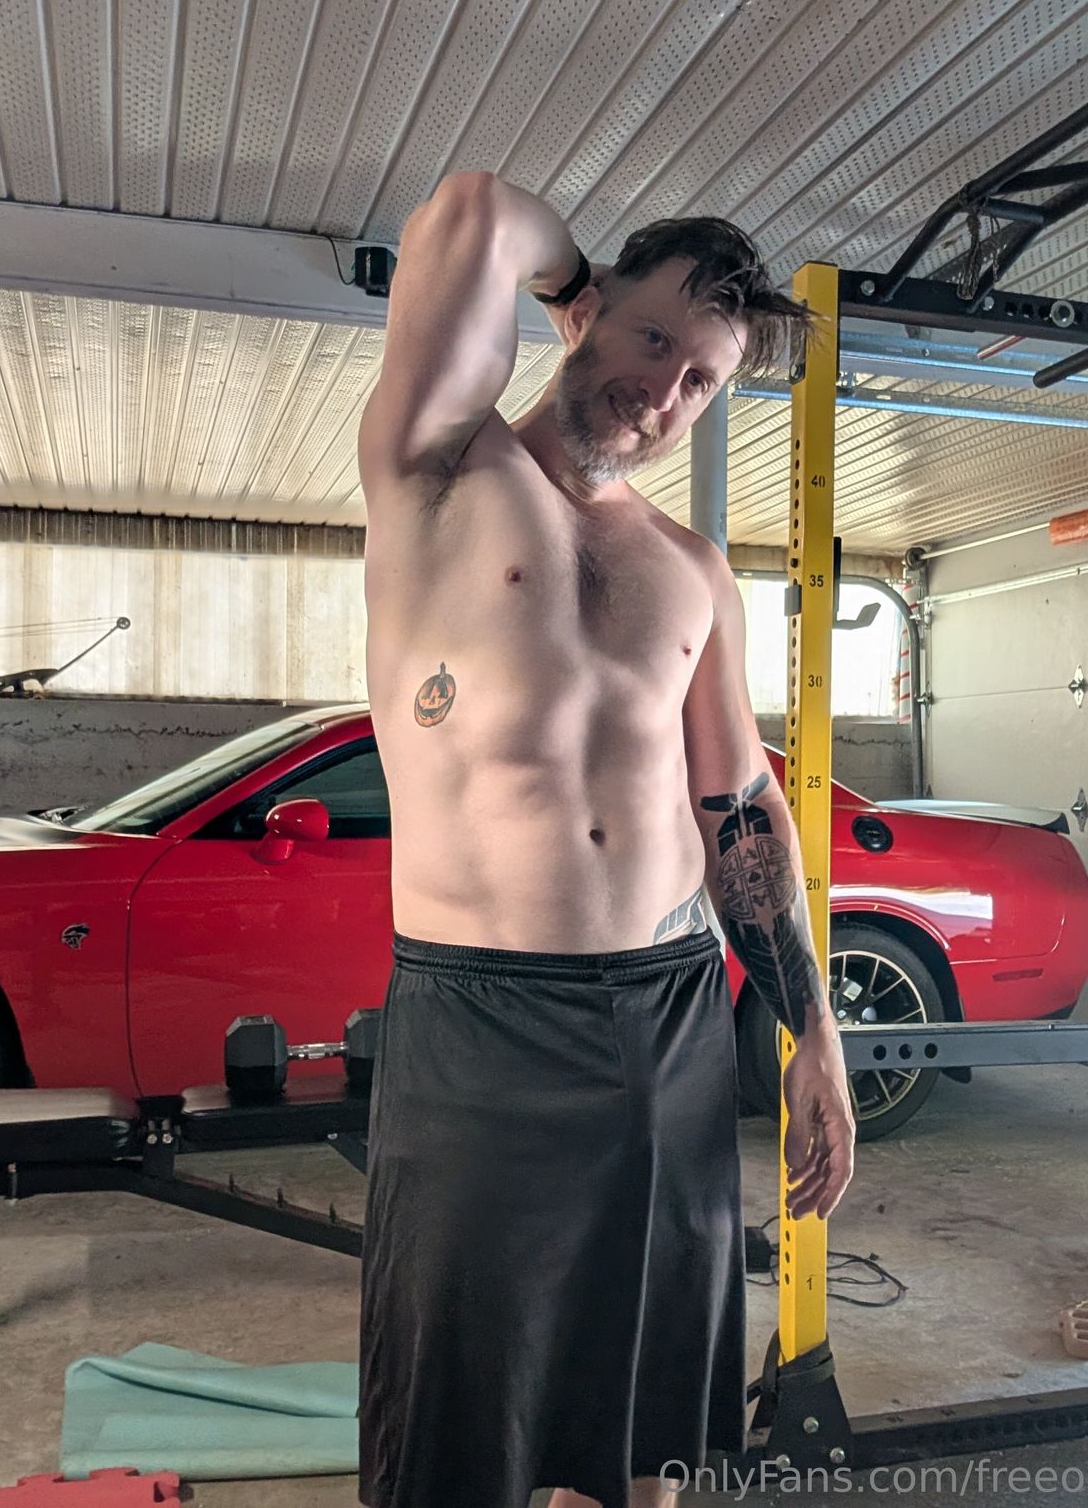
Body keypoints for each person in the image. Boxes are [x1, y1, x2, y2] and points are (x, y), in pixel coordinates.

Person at [356, 171, 855, 1508]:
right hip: (480, 1020)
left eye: (699, 381)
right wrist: (574, 278)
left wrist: (813, 1035)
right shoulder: (438, 470)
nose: (664, 392)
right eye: (652, 338)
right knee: (457, 1417)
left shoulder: (691, 571)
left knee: (646, 1418)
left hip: (667, 1018)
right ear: (590, 312)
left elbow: (738, 810)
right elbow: (472, 211)